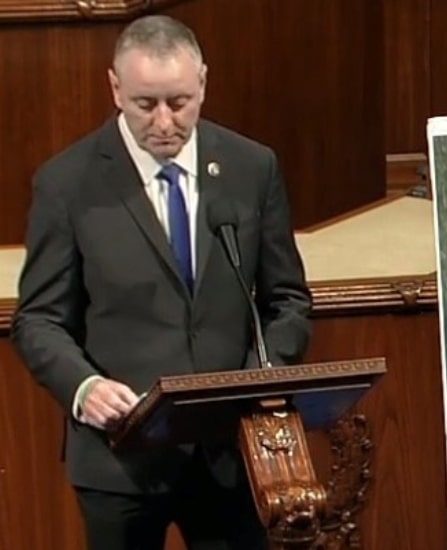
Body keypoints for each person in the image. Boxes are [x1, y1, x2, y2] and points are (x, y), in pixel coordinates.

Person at [11, 14, 312, 550]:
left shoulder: (251, 166)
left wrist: (257, 380)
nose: (165, 121)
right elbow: (38, 319)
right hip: (122, 458)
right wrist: (85, 388)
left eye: (180, 101)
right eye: (145, 104)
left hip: (231, 453)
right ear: (115, 88)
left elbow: (286, 299)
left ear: (203, 82)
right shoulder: (67, 182)